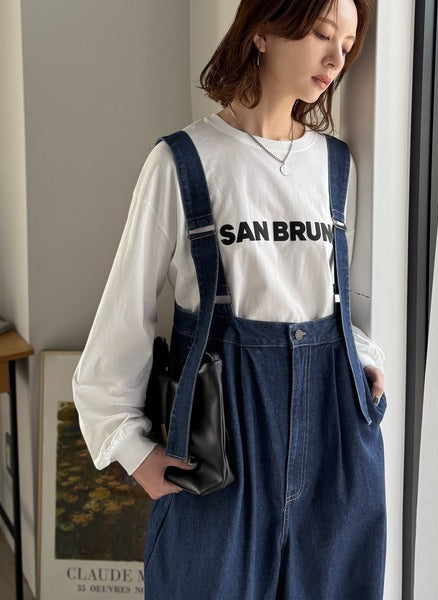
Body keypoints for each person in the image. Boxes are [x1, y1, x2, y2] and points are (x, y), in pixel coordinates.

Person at [73, 0, 388, 597]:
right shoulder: (182, 162)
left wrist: (364, 358)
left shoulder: (337, 166)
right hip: (223, 440)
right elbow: (122, 319)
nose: (335, 59)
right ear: (264, 30)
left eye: (347, 46)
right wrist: (133, 450)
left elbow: (332, 299)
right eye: (322, 34)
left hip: (335, 440)